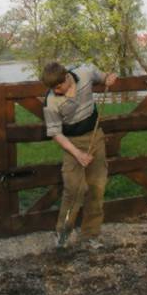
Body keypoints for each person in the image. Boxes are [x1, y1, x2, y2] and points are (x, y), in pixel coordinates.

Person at [41, 61, 117, 249]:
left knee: (96, 187)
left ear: (66, 77)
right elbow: (55, 133)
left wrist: (108, 78)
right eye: (52, 88)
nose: (55, 91)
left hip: (95, 136)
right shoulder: (50, 102)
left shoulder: (85, 72)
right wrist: (77, 154)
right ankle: (62, 234)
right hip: (71, 143)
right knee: (74, 190)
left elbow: (103, 77)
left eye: (58, 87)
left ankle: (90, 235)